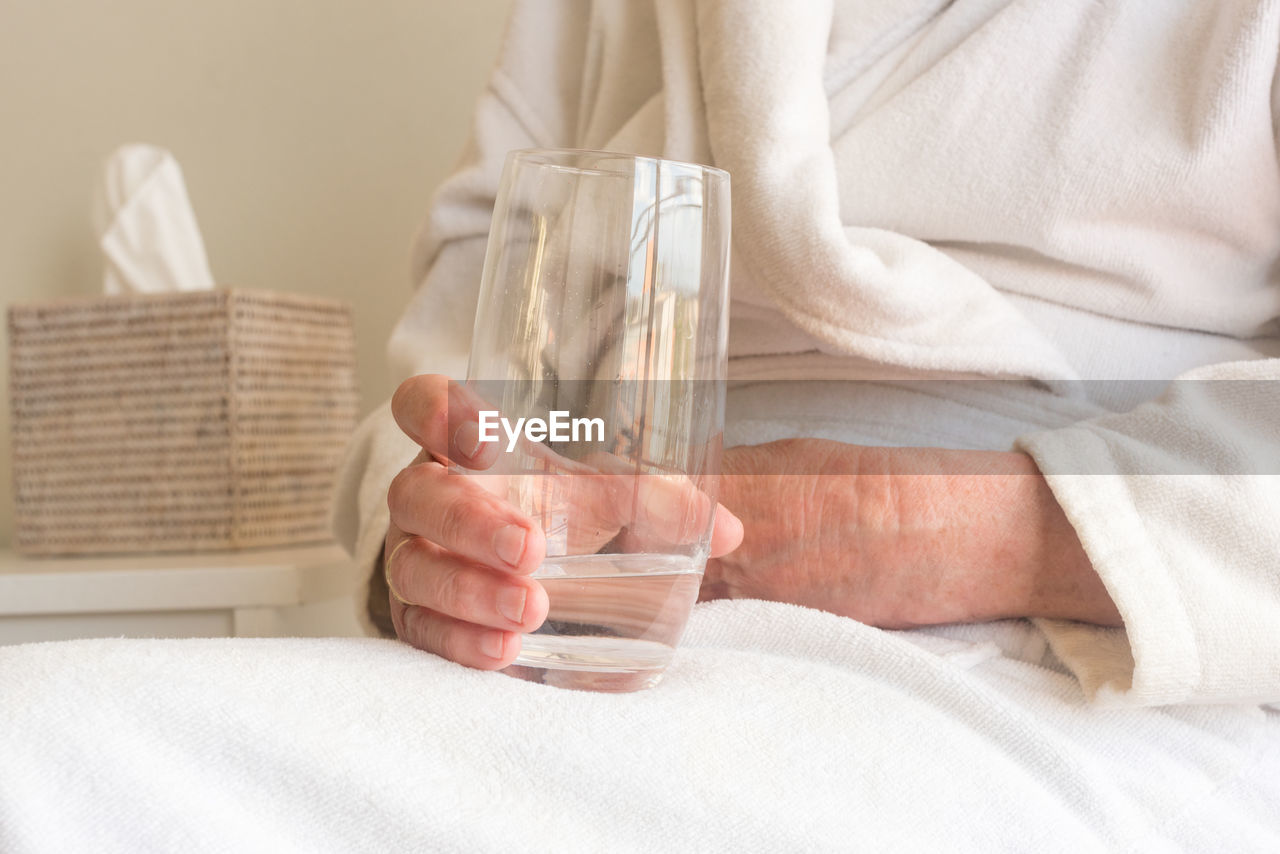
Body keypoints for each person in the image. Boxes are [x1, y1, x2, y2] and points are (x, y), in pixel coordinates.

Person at [333, 0, 1280, 708]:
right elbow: (470, 317)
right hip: (568, 603)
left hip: (1072, 629)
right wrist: (442, 538)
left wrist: (914, 527)